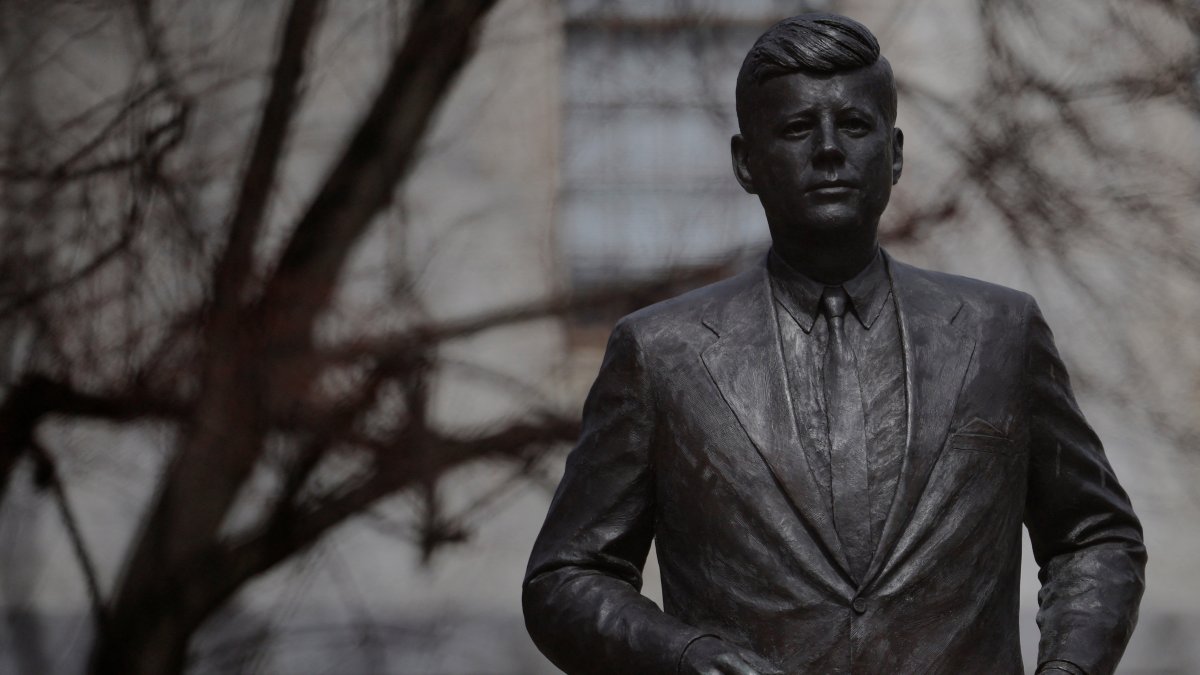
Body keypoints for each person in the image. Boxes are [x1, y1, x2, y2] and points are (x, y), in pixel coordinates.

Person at [523, 13, 1145, 675]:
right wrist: (686, 657)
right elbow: (565, 576)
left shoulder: (1000, 334)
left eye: (854, 126)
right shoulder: (661, 353)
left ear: (895, 152)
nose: (828, 149)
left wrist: (1069, 670)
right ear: (746, 163)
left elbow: (1094, 534)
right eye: (796, 128)